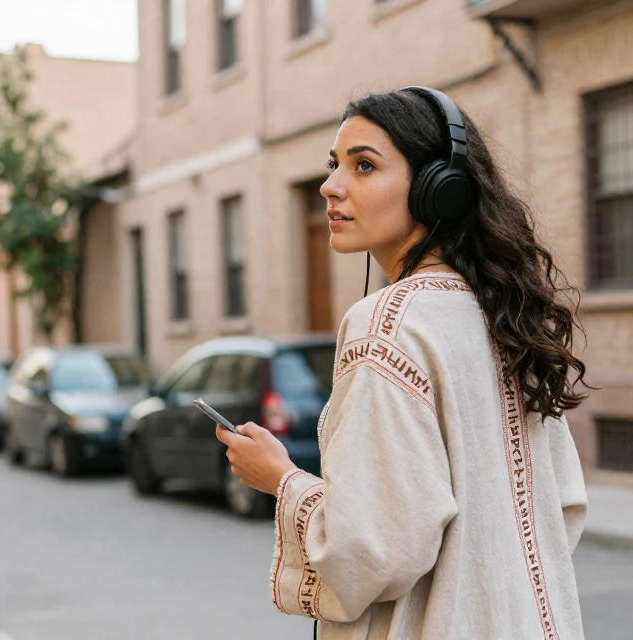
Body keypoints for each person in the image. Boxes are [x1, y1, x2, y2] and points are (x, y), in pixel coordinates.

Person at [216, 86, 590, 640]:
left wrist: (282, 480)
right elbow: (563, 508)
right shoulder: (505, 317)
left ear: (441, 190)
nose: (331, 186)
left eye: (364, 165)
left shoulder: (388, 325)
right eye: (334, 165)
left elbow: (374, 551)